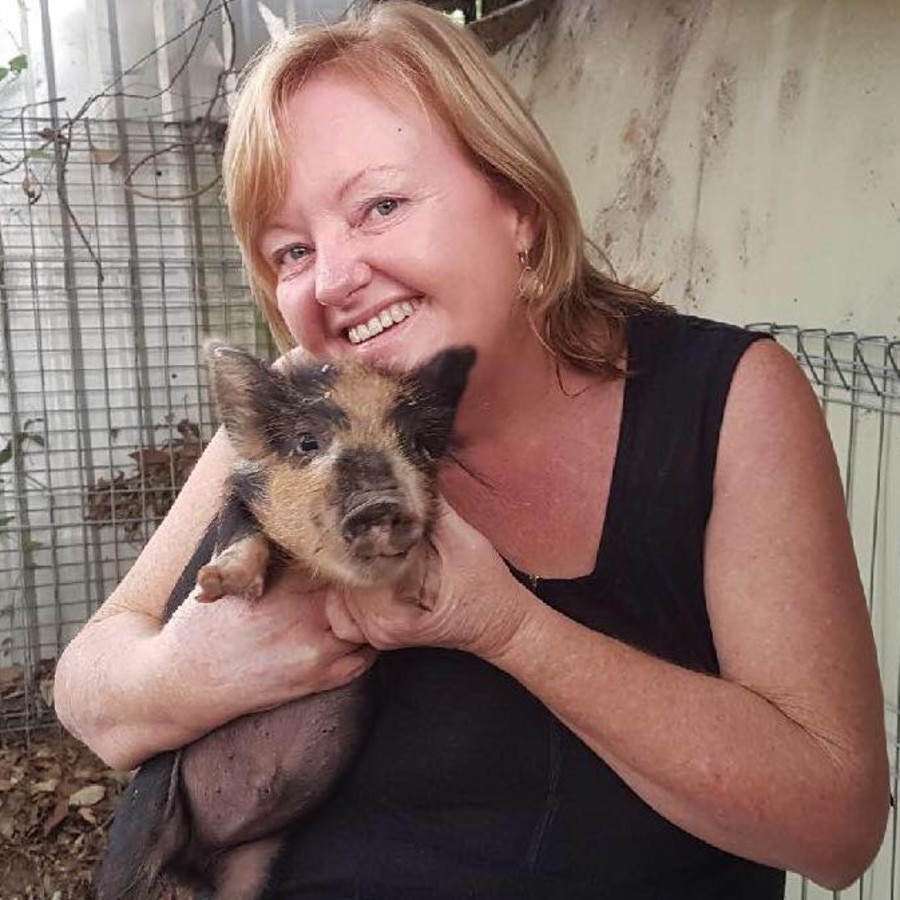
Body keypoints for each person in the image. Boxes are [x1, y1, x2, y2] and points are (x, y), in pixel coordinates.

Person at [54, 2, 889, 897]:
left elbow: (835, 828)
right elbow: (90, 693)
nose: (332, 279)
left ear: (518, 206)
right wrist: (188, 672)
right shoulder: (303, 405)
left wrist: (511, 630)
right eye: (291, 250)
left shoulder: (726, 401)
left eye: (381, 204)